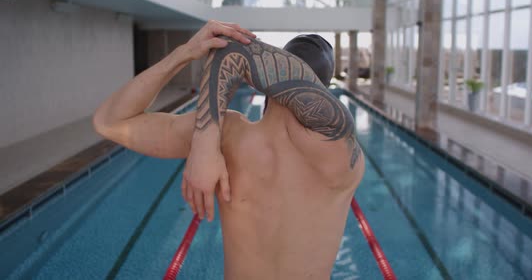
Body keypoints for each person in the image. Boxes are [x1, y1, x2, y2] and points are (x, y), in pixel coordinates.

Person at [93, 20, 365, 280]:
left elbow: (111, 121)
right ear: (325, 92)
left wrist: (183, 55)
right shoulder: (340, 153)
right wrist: (206, 146)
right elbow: (237, 53)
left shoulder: (227, 135)